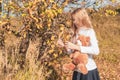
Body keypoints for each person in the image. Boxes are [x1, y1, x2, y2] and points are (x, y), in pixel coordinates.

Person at [57, 8, 100, 80]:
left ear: (82, 18)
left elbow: (96, 50)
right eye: (73, 19)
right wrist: (65, 46)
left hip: (88, 71)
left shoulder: (89, 31)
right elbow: (73, 54)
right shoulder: (75, 33)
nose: (74, 22)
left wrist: (76, 47)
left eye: (75, 19)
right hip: (77, 71)